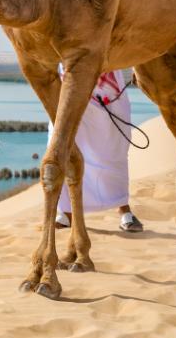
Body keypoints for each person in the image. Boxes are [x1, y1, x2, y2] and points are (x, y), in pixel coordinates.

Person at [46, 66, 143, 233]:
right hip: (69, 85)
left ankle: (124, 210)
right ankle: (66, 213)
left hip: (109, 86)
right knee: (62, 147)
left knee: (114, 150)